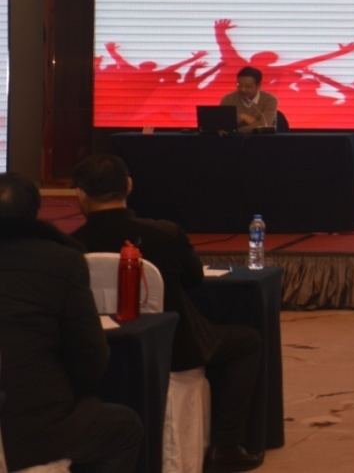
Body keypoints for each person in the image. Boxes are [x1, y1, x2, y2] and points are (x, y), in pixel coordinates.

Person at [70, 155, 265, 473]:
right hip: (175, 350)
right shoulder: (165, 234)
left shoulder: (70, 247)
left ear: (80, 194)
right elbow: (194, 280)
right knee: (248, 341)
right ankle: (227, 445)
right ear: (129, 185)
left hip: (97, 351)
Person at [0, 172, 144, 473]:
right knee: (124, 427)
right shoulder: (61, 261)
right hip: (27, 423)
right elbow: (90, 355)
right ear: (34, 210)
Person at [219, 65, 277, 133]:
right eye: (239, 85)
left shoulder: (269, 100)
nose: (242, 89)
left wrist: (235, 131)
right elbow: (222, 125)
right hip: (233, 139)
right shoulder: (228, 99)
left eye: (248, 86)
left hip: (259, 138)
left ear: (258, 85)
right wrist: (243, 117)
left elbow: (264, 126)